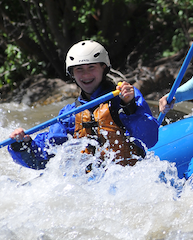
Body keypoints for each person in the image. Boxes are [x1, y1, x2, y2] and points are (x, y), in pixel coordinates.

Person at [9, 40, 159, 170]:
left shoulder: (123, 97)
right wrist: (24, 144)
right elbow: (45, 156)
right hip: (93, 183)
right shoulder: (70, 114)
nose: (86, 75)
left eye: (91, 67)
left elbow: (149, 139)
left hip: (129, 175)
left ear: (104, 68)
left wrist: (130, 106)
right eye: (79, 69)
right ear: (72, 73)